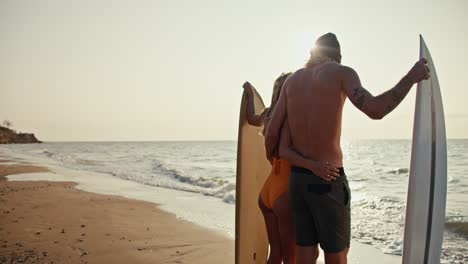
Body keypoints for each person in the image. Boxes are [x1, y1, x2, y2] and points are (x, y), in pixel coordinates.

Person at [265, 33, 430, 264]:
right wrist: (411, 78)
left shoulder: (292, 81)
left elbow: (272, 132)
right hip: (328, 181)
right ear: (337, 56)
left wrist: (273, 160)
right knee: (336, 256)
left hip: (298, 182)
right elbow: (376, 109)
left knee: (304, 254)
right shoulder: (342, 73)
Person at [242, 73, 339, 264]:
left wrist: (249, 95)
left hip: (268, 190)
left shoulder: (269, 114)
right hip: (286, 190)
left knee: (275, 255)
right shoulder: (294, 115)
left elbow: (251, 118)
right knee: (291, 258)